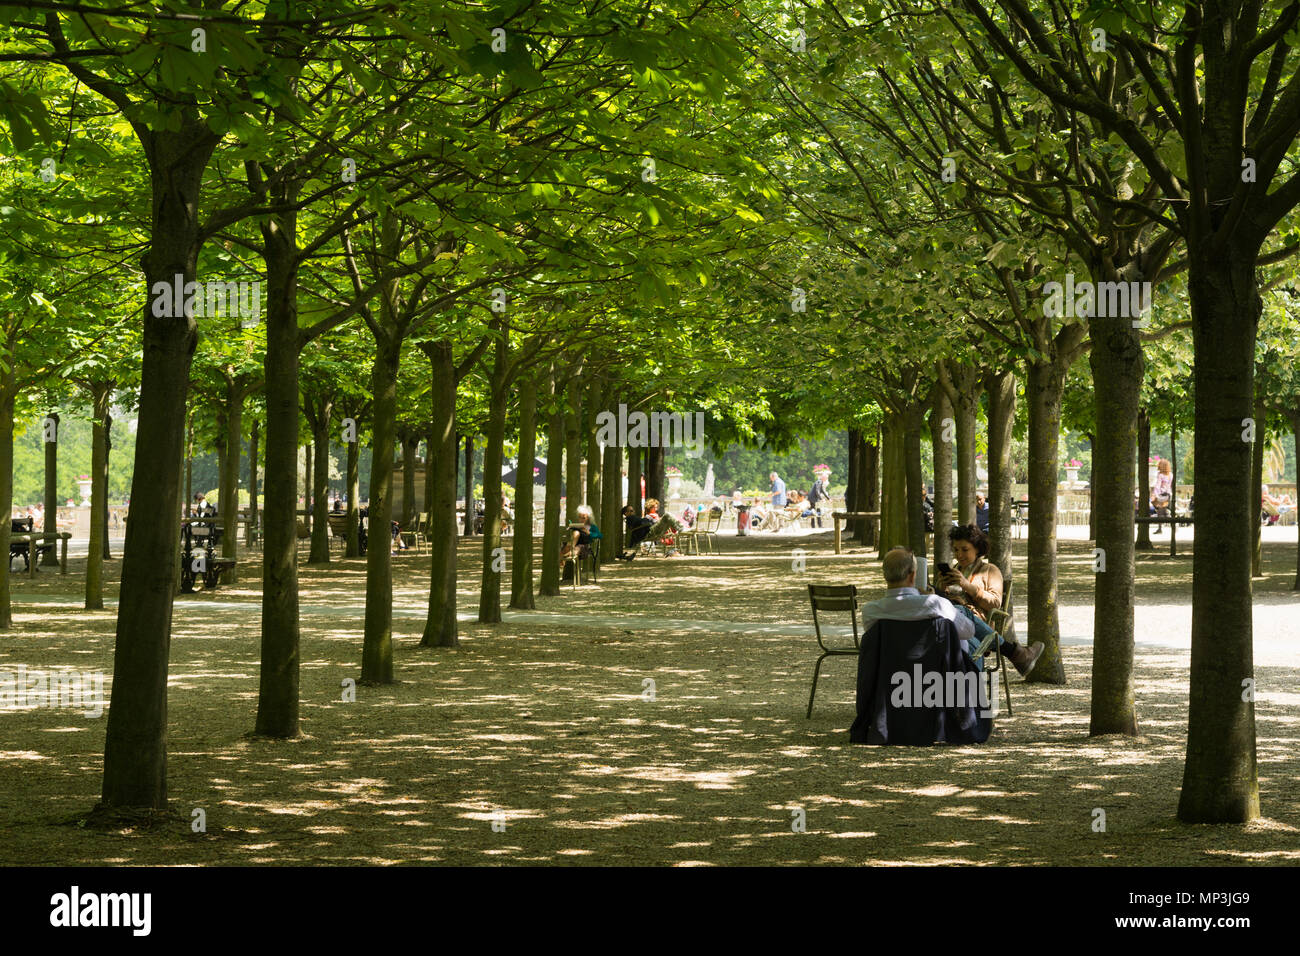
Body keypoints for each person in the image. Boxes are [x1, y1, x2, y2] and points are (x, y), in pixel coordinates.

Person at [940, 523, 1043, 676]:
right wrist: (941, 588)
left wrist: (967, 586)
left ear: (977, 549)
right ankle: (1018, 654)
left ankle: (973, 686)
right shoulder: (953, 571)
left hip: (977, 626)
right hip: (950, 624)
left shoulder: (990, 570)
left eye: (964, 549)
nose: (959, 555)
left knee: (964, 640)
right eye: (955, 550)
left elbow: (995, 603)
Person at [1150, 458, 1173, 533]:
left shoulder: (1160, 475)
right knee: (1164, 511)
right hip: (1168, 494)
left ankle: (1160, 529)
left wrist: (1155, 495)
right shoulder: (1170, 474)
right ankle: (1173, 525)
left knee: (1160, 512)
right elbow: (1169, 485)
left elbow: (1158, 486)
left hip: (1162, 495)